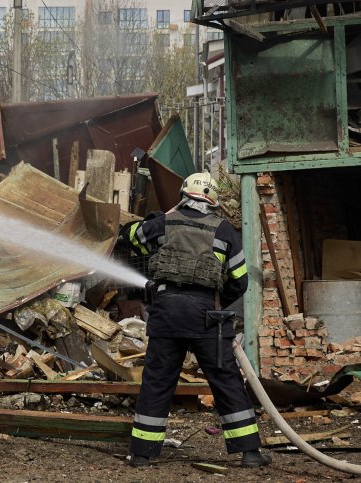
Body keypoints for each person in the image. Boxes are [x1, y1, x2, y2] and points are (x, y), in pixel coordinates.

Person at [120, 172, 271, 468]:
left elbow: (132, 238)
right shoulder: (225, 231)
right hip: (206, 317)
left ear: (184, 194)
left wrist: (153, 219)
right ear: (213, 200)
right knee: (225, 380)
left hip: (166, 313)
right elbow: (239, 281)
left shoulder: (163, 223)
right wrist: (217, 302)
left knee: (158, 381)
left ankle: (141, 454)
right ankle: (249, 452)